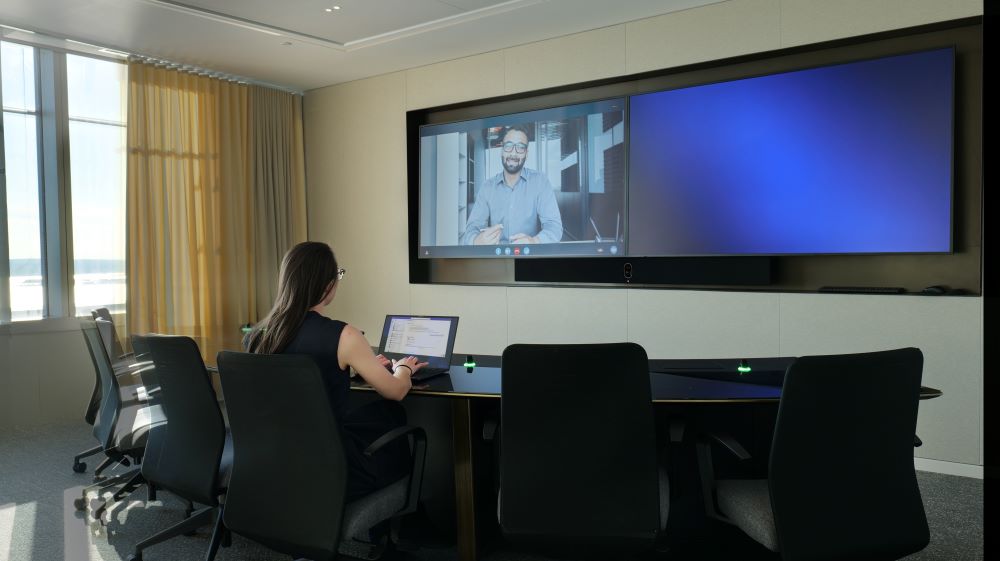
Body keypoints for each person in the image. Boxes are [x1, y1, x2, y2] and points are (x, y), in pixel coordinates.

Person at [244, 241, 426, 501]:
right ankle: (406, 514)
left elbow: (292, 386)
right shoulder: (344, 335)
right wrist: (403, 369)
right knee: (392, 411)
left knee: (378, 415)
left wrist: (355, 367)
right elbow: (396, 391)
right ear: (328, 285)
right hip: (332, 467)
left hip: (276, 462)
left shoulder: (257, 337)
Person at [460, 125, 563, 245]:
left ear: (526, 154)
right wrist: (476, 240)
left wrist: (534, 241)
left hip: (528, 254)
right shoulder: (487, 187)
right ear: (502, 151)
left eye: (520, 147)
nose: (513, 153)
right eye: (508, 146)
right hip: (497, 254)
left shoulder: (540, 182)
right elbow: (471, 228)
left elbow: (554, 227)